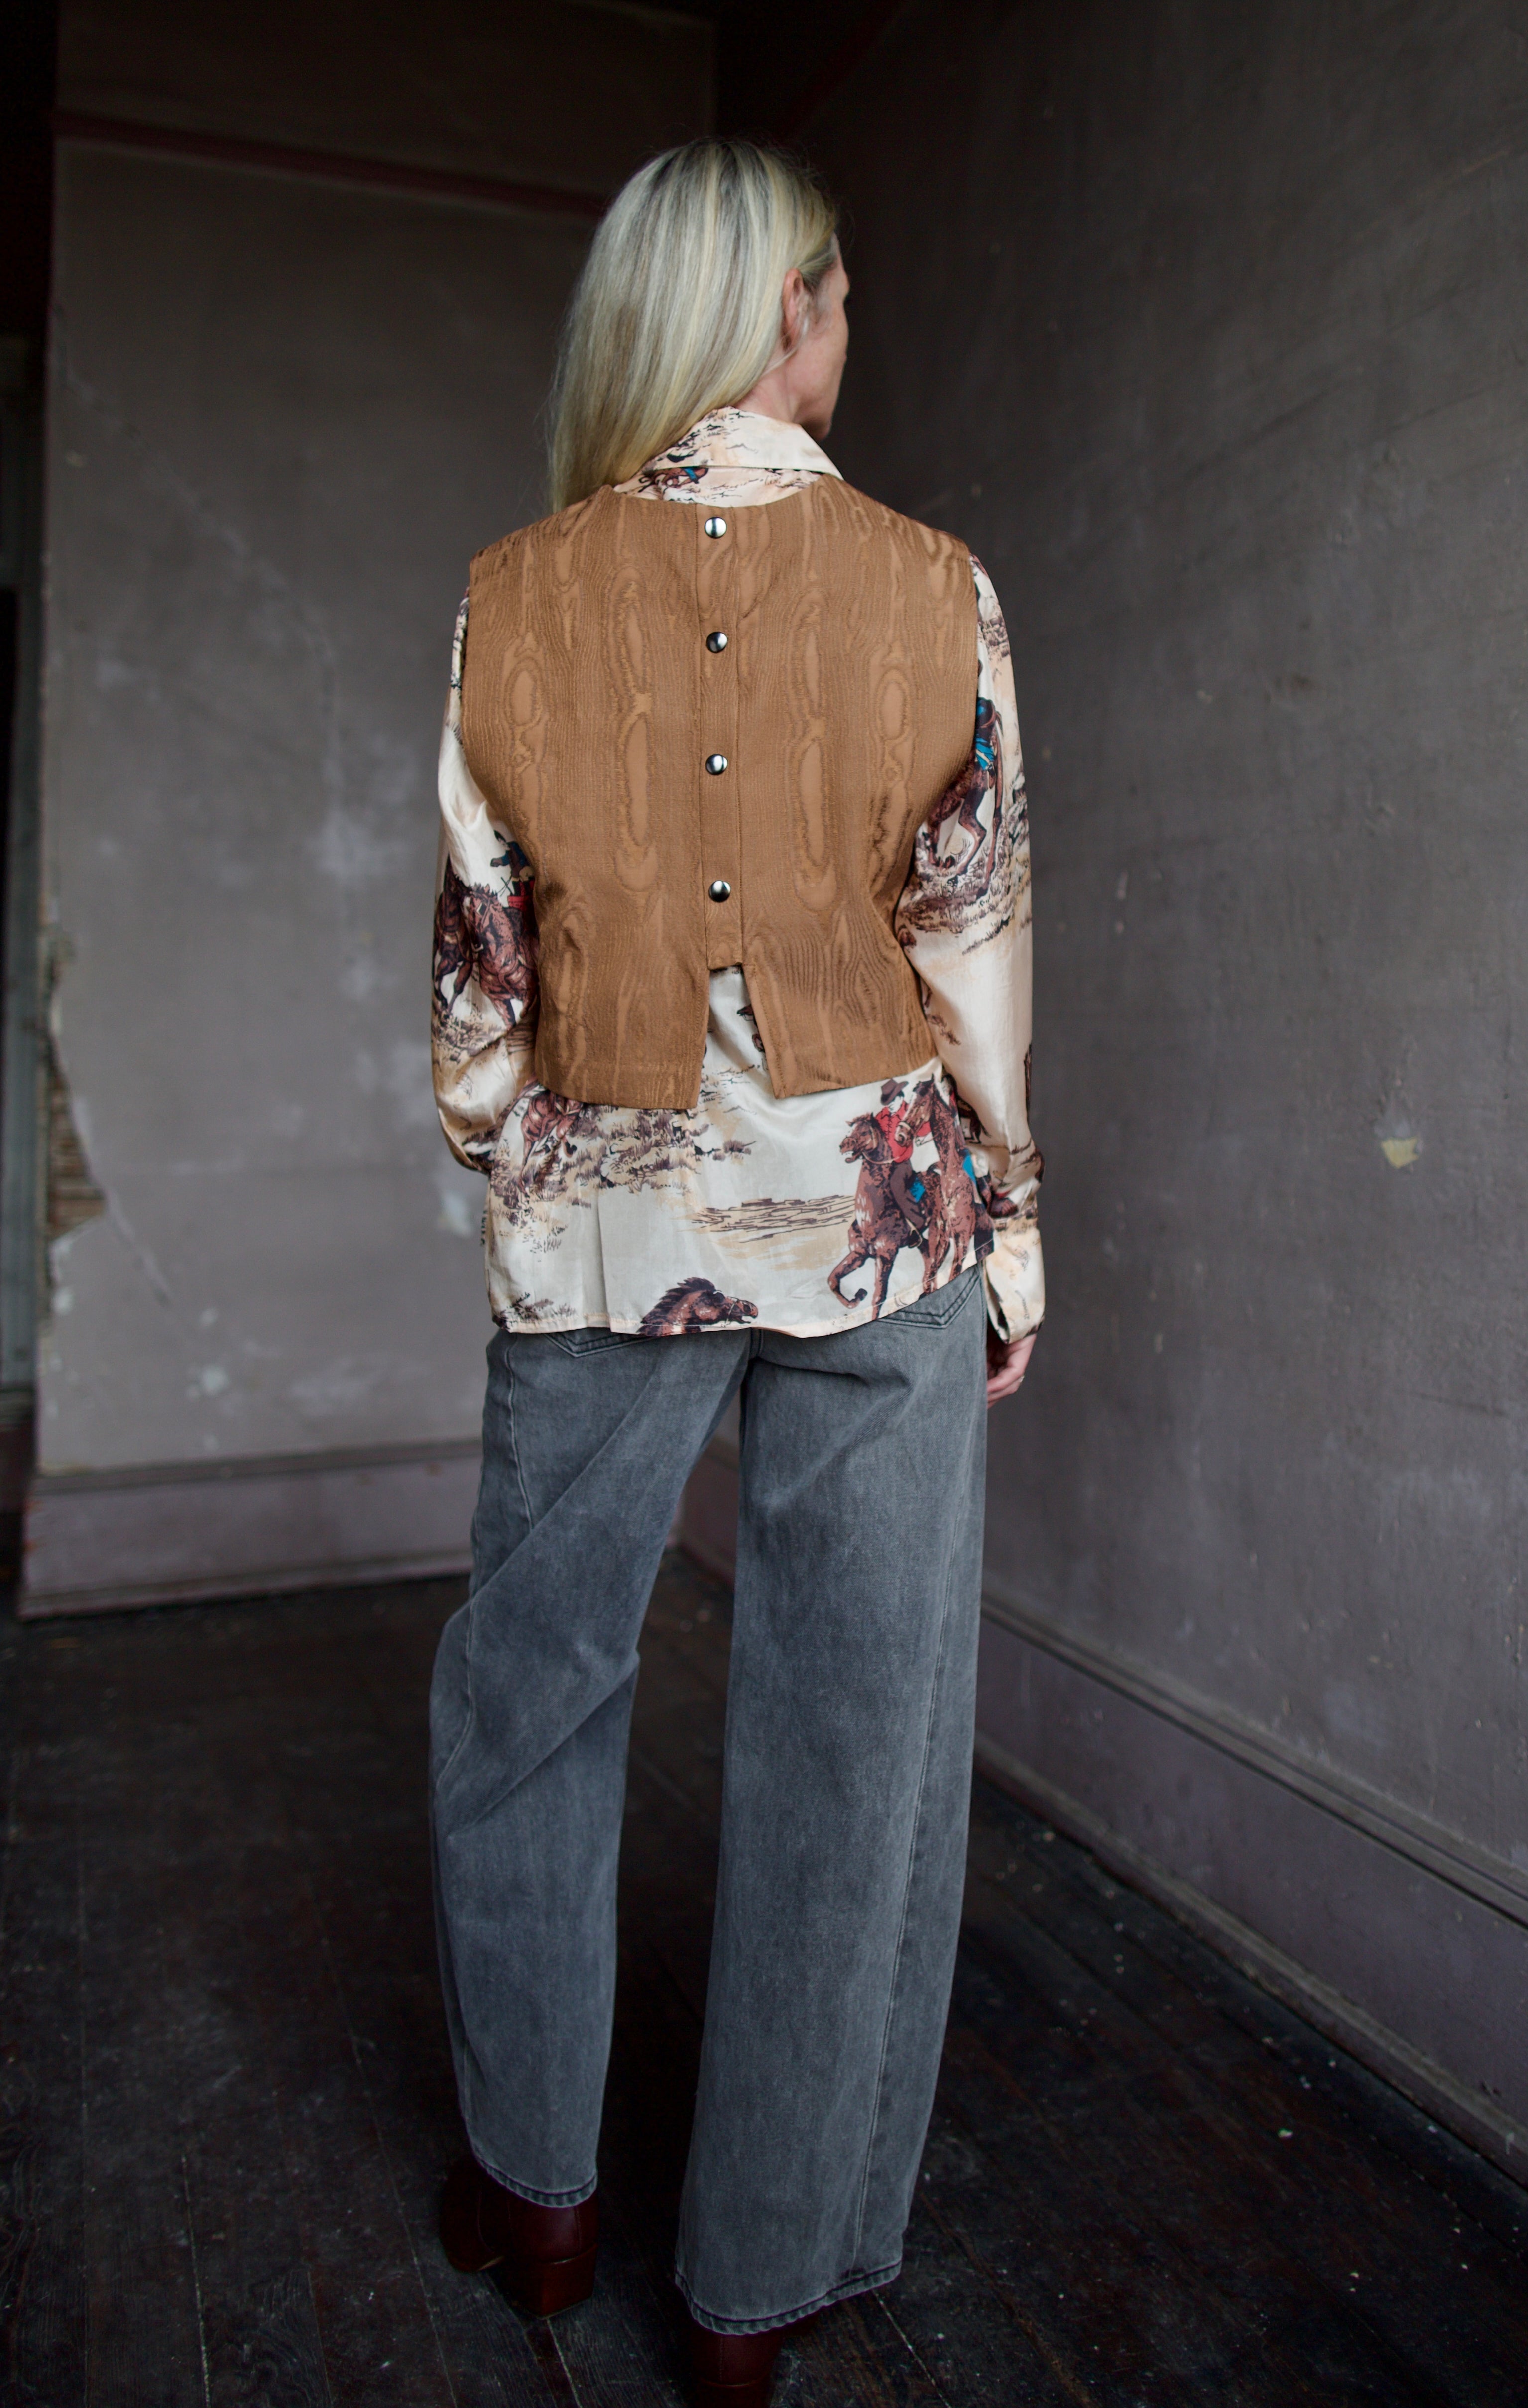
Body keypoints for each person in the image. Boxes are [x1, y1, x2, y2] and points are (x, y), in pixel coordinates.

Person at [427, 138, 1042, 2408]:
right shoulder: (937, 583)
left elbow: (480, 989)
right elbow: (969, 941)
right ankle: (753, 2291)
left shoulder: (509, 592)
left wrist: (537, 1175)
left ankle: (543, 2190)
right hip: (880, 1211)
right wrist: (1013, 1221)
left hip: (599, 1225)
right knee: (850, 1738)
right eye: (843, 300)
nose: (848, 337)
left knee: (532, 1700)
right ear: (794, 309)